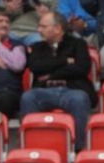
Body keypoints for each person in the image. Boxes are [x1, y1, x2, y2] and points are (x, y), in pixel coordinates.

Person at [19, 11, 96, 151]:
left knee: (79, 99)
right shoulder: (37, 47)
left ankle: (78, 149)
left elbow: (82, 68)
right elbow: (36, 67)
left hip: (72, 89)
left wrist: (50, 75)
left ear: (58, 28)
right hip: (44, 90)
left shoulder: (78, 44)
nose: (38, 30)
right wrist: (65, 61)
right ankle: (32, 148)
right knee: (28, 97)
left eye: (43, 26)